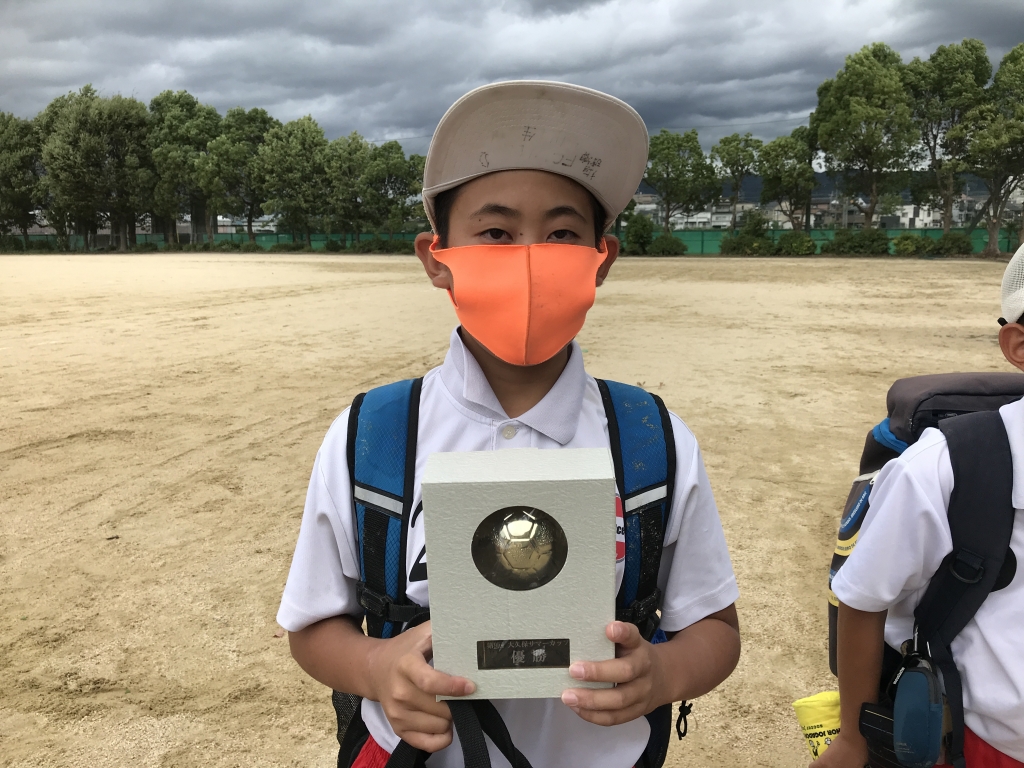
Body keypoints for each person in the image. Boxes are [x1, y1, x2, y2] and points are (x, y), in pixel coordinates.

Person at [276, 80, 741, 768]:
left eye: (562, 234)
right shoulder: (371, 435)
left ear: (601, 261)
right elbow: (314, 626)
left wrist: (665, 673)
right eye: (495, 233)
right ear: (436, 259)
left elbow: (716, 628)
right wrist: (376, 667)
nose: (530, 257)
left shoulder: (651, 440)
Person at [816, 248, 1024, 768]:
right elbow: (863, 598)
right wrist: (853, 737)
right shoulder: (944, 467)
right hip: (987, 743)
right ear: (1018, 346)